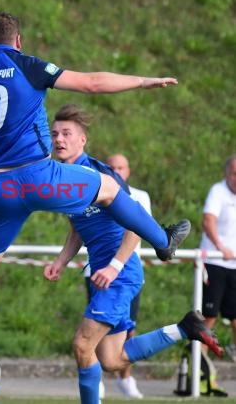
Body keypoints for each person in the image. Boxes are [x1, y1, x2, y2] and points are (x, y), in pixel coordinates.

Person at [0, 11, 192, 379]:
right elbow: (91, 83)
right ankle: (163, 240)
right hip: (39, 175)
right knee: (109, 188)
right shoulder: (26, 64)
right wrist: (142, 81)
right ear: (18, 41)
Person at [45, 103, 222, 404]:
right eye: (55, 134)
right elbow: (78, 226)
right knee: (112, 359)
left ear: (82, 140)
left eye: (67, 133)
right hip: (106, 272)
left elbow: (135, 223)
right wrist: (62, 260)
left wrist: (114, 266)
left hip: (120, 272)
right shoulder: (66, 178)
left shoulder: (99, 174)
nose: (59, 139)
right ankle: (185, 328)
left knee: (82, 344)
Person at [106, 153, 152, 398]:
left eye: (120, 167)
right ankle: (95, 380)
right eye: (111, 167)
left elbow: (141, 229)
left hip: (127, 273)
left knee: (128, 329)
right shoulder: (96, 190)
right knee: (94, 330)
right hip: (100, 271)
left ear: (128, 170)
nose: (116, 171)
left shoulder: (139, 197)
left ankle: (126, 379)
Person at [200, 155, 236, 363]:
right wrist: (221, 247)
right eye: (234, 174)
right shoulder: (218, 192)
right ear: (227, 174)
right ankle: (200, 360)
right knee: (209, 315)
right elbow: (208, 220)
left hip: (234, 265)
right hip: (215, 262)